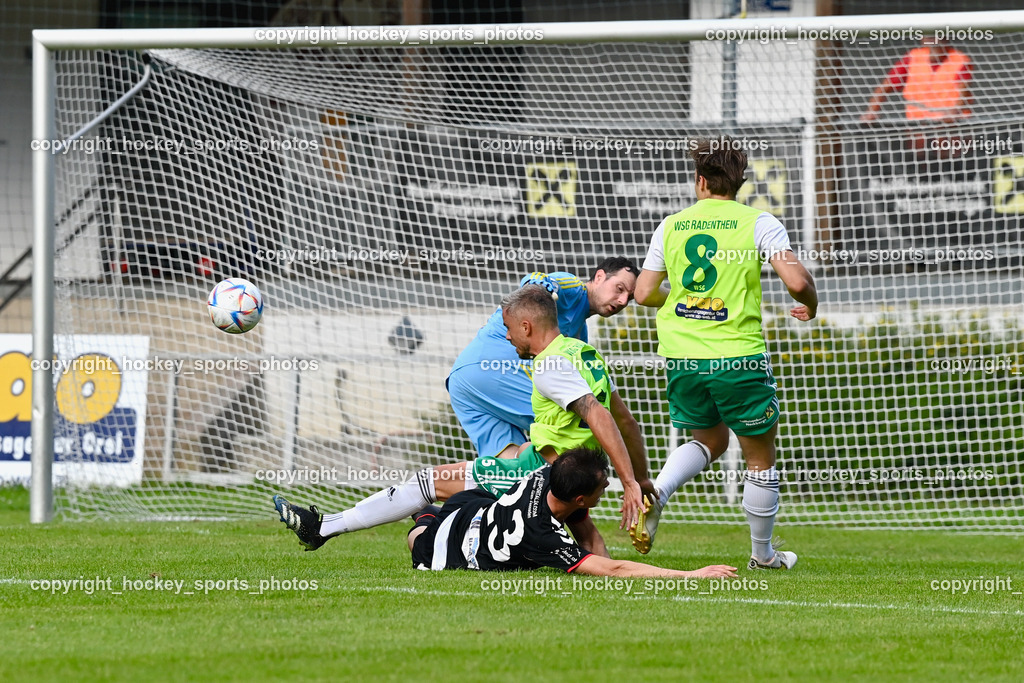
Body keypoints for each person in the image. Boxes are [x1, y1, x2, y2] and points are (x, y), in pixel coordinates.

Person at [274, 284, 651, 552]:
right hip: (563, 472)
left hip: (539, 472)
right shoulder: (584, 353)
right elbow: (627, 423)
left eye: (507, 329)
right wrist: (641, 476)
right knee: (586, 540)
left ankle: (323, 527)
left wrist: (631, 483)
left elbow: (596, 413)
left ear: (526, 326)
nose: (506, 338)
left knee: (427, 483)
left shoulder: (550, 364)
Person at [631, 135, 818, 570]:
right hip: (736, 355)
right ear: (739, 184)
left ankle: (656, 491)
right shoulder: (758, 222)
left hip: (682, 357)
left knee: (709, 439)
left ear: (700, 181)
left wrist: (681, 300)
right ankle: (763, 555)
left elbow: (642, 293)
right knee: (759, 456)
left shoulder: (671, 225)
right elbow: (796, 282)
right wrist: (810, 305)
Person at [408, 447, 737, 578]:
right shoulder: (542, 535)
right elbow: (612, 569)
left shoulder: (549, 476)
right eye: (602, 485)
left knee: (447, 515)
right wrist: (691, 575)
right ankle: (424, 516)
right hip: (451, 543)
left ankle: (431, 513)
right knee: (418, 538)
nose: (607, 485)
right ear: (580, 498)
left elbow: (589, 536)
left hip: (472, 505)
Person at [447, 258, 637, 461]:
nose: (623, 301)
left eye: (630, 297)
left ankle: (426, 487)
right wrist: (539, 286)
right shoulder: (572, 286)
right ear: (599, 277)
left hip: (462, 381)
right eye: (619, 288)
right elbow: (535, 284)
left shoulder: (578, 335)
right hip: (496, 368)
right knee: (577, 425)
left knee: (509, 470)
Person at [861, 35, 973, 124]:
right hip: (918, 124)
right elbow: (885, 86)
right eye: (928, 36)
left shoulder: (960, 60)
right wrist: (872, 111)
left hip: (951, 125)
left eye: (936, 36)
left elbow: (963, 90)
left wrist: (954, 112)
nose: (932, 39)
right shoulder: (914, 57)